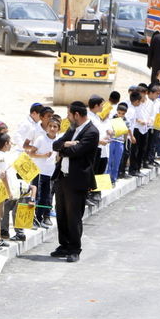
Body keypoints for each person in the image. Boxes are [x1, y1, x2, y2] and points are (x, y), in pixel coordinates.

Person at [51, 101, 100, 262]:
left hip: (77, 180)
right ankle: (64, 245)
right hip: (62, 178)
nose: (67, 117)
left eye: (69, 114)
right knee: (62, 214)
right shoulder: (72, 129)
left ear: (76, 115)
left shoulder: (91, 132)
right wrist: (66, 144)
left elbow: (76, 151)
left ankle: (74, 249)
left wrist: (64, 149)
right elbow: (55, 144)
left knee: (74, 216)